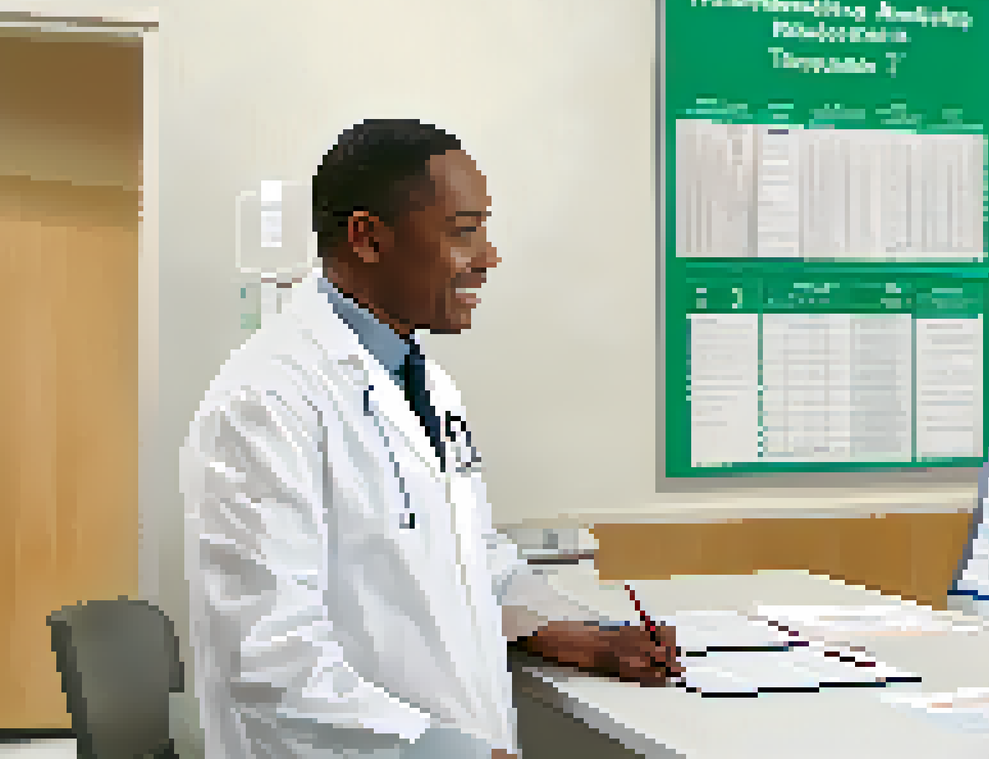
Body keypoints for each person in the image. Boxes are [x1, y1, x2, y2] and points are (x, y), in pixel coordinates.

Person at [182, 119, 682, 759]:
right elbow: (267, 654)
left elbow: (471, 555)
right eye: (464, 231)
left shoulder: (428, 385)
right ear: (368, 237)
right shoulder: (267, 400)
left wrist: (573, 635)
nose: (489, 256)